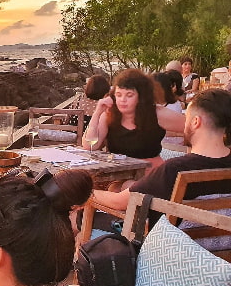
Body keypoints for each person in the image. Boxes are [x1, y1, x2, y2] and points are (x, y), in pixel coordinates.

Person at [91, 88, 231, 222]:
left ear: (195, 122)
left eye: (186, 117)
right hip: (222, 244)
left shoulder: (174, 170)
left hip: (171, 244)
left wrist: (88, 192)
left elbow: (119, 202)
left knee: (81, 219)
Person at [82, 69, 184, 169]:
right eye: (118, 95)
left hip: (150, 172)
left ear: (141, 97)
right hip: (119, 173)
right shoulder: (109, 114)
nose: (123, 100)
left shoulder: (157, 114)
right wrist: (97, 113)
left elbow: (195, 127)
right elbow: (90, 145)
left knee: (124, 186)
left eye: (129, 95)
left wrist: (192, 153)